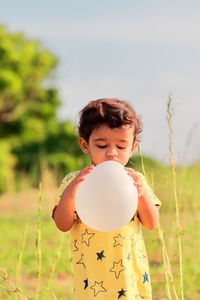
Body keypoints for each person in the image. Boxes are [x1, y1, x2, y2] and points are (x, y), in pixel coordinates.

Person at [52, 98, 161, 300]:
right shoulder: (75, 181)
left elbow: (152, 223)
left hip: (128, 274)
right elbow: (62, 224)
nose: (112, 152)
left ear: (133, 147)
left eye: (121, 146)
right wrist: (71, 192)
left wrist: (142, 194)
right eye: (102, 145)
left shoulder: (135, 181)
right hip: (92, 279)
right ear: (85, 145)